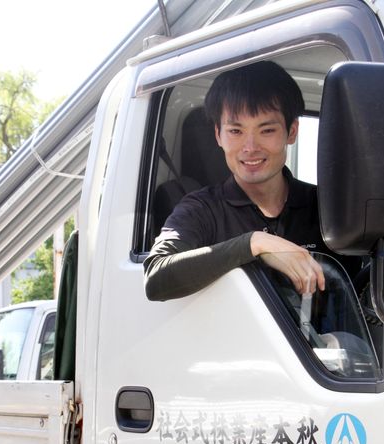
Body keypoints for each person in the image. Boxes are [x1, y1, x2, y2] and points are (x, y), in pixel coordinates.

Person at [144, 60, 355, 301]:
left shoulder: (325, 209)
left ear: (292, 132)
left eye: (267, 130)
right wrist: (253, 244)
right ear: (218, 135)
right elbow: (156, 278)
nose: (250, 147)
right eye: (236, 131)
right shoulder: (201, 209)